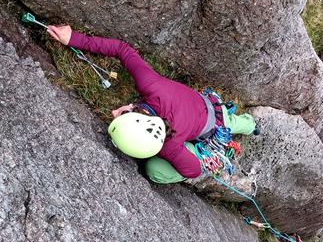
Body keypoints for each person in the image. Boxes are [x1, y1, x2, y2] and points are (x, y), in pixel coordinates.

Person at [47, 25, 258, 183]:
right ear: (133, 110)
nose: (113, 111)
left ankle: (227, 146)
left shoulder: (170, 147)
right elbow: (122, 49)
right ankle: (251, 125)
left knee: (155, 171)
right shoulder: (152, 86)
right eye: (119, 113)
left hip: (213, 128)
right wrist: (74, 38)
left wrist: (176, 153)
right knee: (236, 123)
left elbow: (193, 171)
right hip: (211, 105)